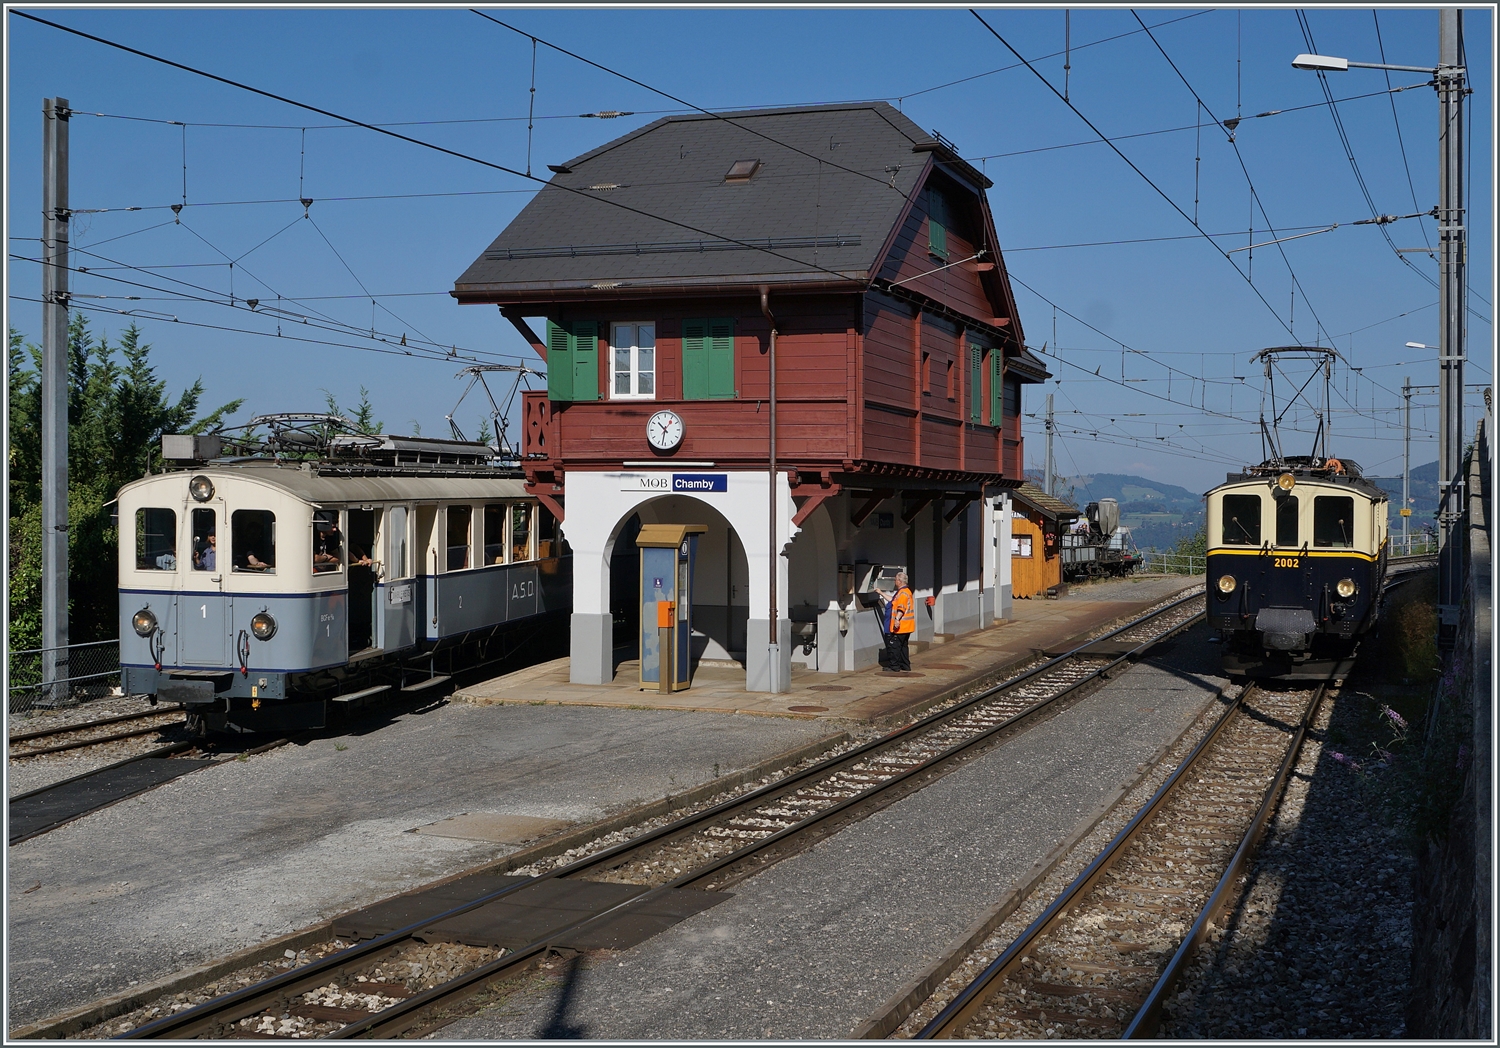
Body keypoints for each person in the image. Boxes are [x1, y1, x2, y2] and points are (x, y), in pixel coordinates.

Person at [880, 571, 916, 672]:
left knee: (895, 646)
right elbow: (894, 601)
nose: (895, 581)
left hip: (901, 626)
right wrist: (881, 593)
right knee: (903, 646)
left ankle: (894, 666)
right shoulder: (906, 591)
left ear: (899, 581)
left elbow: (901, 608)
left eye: (896, 579)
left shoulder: (903, 593)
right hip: (907, 626)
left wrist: (897, 620)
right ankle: (905, 665)